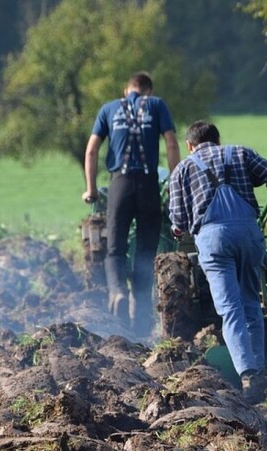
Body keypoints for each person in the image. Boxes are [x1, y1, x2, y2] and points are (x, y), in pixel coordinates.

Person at [168, 120, 267, 404]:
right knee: (251, 301)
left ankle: (248, 374)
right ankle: (259, 368)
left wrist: (181, 227)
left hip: (213, 241)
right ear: (218, 141)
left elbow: (177, 221)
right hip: (248, 235)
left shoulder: (183, 169)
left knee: (229, 308)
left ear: (189, 145)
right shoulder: (239, 153)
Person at [82, 72, 180, 340]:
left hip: (120, 185)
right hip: (148, 185)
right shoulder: (157, 105)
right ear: (148, 90)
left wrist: (91, 189)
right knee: (146, 250)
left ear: (127, 90)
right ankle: (141, 309)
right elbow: (171, 142)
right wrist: (175, 182)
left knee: (115, 247)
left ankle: (117, 291)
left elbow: (91, 150)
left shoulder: (108, 109)